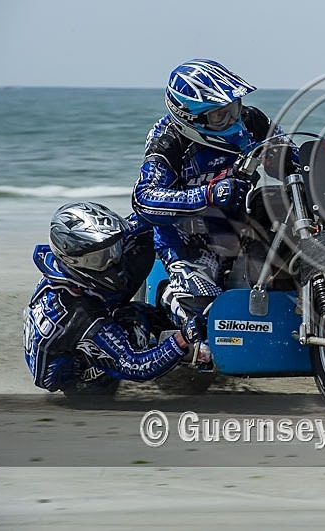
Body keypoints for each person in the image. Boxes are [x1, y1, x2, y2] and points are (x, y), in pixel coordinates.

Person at [131, 59, 298, 347]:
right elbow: (143, 198)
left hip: (237, 225)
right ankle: (166, 296)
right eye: (220, 115)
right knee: (208, 327)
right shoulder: (167, 139)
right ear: (191, 118)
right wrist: (208, 194)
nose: (233, 120)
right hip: (186, 239)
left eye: (234, 108)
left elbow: (295, 160)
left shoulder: (252, 121)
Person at [23, 202, 195, 396]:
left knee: (144, 308)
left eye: (114, 249)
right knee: (135, 324)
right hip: (74, 373)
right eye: (99, 259)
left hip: (103, 311)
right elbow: (135, 365)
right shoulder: (77, 312)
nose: (112, 260)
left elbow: (153, 217)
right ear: (74, 262)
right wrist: (184, 339)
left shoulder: (116, 236)